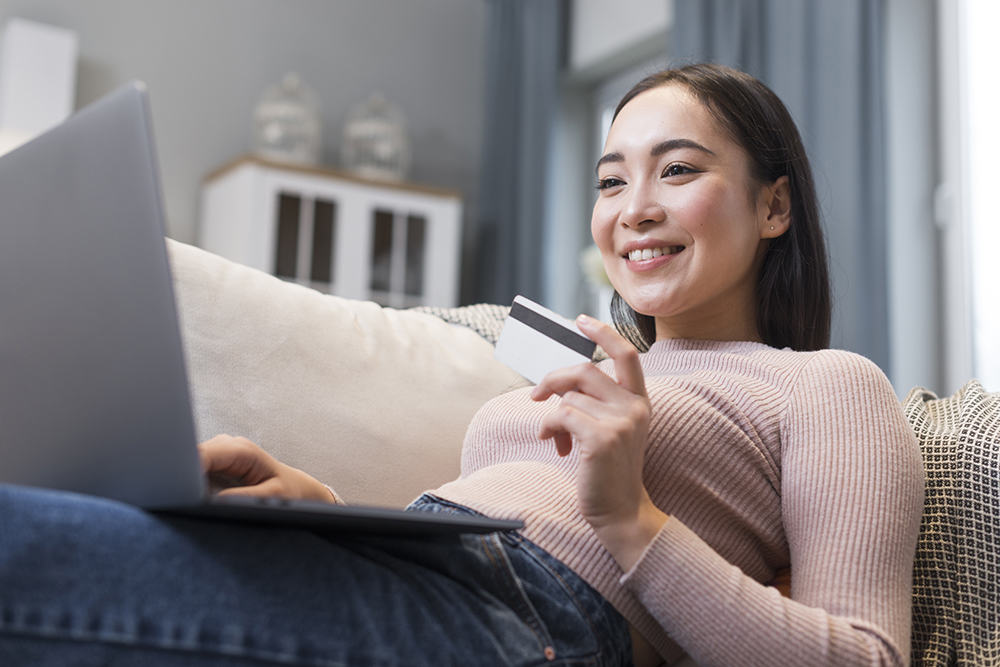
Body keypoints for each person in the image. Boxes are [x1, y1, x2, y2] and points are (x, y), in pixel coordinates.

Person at [0, 63, 923, 667]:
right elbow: (489, 517)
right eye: (611, 180)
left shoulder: (829, 385)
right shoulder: (586, 367)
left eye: (677, 171)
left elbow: (867, 656)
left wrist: (633, 519)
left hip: (537, 621)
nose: (634, 207)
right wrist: (324, 513)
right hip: (425, 575)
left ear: (774, 207)